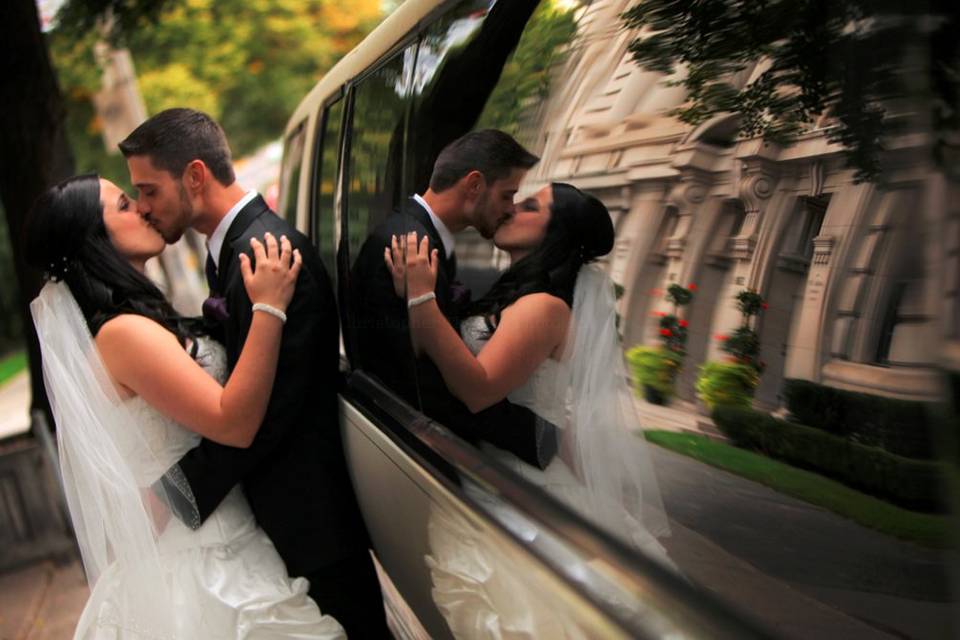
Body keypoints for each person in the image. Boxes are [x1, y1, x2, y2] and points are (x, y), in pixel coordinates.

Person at [26, 175, 345, 638]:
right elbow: (231, 424)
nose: (142, 208)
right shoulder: (123, 335)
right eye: (123, 204)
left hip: (222, 534)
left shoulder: (132, 321)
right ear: (95, 241)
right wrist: (268, 309)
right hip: (204, 564)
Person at [118, 108, 386, 637]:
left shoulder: (269, 255)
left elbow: (264, 417)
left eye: (149, 191)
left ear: (194, 175)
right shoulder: (236, 254)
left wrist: (175, 494)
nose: (145, 208)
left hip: (312, 527)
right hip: (278, 523)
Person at [386, 182, 672, 557]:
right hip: (488, 469)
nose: (511, 208)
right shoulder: (514, 296)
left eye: (530, 206)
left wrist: (421, 298)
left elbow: (478, 390)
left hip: (522, 488)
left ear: (556, 233)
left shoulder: (544, 308)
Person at [351, 129, 556, 469]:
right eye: (508, 195)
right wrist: (543, 439)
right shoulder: (409, 246)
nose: (509, 209)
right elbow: (424, 385)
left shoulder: (423, 239)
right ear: (474, 185)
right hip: (415, 456)